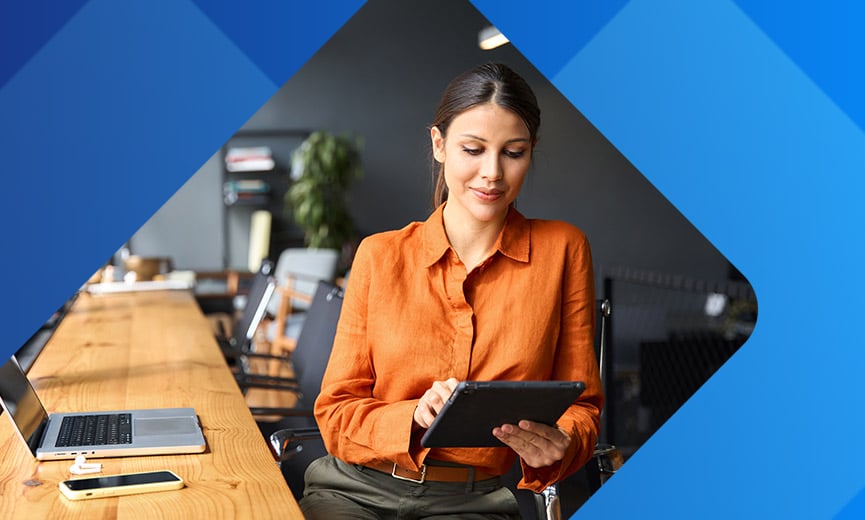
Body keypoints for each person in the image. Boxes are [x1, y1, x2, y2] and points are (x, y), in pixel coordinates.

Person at [300, 62, 603, 519]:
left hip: (472, 502)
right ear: (439, 146)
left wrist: (562, 442)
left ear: (531, 152)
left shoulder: (563, 250)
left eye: (513, 153)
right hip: (353, 491)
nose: (492, 173)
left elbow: (583, 407)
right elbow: (336, 413)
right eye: (473, 149)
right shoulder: (379, 256)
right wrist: (413, 416)